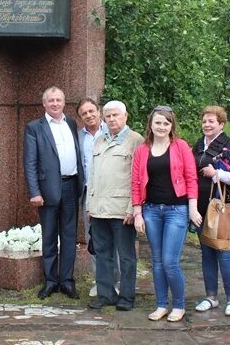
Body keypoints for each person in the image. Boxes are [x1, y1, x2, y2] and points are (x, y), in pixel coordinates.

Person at [132, 105, 200, 323]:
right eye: (158, 122)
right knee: (157, 261)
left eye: (166, 123)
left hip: (176, 210)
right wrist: (137, 212)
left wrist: (192, 208)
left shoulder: (180, 146)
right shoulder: (142, 150)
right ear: (151, 124)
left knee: (170, 261)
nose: (161, 127)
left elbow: (191, 178)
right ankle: (161, 304)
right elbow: (135, 182)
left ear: (172, 126)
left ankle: (178, 305)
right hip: (151, 210)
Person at [23, 86, 84, 300]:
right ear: (44, 103)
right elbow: (30, 163)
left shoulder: (71, 124)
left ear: (64, 102)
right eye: (51, 100)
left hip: (71, 186)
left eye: (59, 99)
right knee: (49, 236)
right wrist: (34, 192)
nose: (55, 103)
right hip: (47, 190)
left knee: (69, 236)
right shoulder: (34, 128)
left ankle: (66, 281)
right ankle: (50, 281)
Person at [86, 101, 143, 311]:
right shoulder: (99, 140)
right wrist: (90, 205)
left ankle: (127, 297)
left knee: (126, 256)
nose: (112, 119)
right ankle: (105, 294)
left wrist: (132, 208)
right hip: (99, 208)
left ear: (125, 116)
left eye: (116, 115)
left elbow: (138, 178)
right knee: (102, 254)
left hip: (122, 210)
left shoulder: (135, 140)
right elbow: (92, 175)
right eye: (108, 116)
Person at [192, 106, 230, 316]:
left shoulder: (228, 147)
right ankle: (211, 297)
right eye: (204, 121)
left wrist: (216, 173)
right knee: (206, 253)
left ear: (221, 124)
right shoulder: (199, 145)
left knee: (224, 253)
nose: (206, 125)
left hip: (222, 209)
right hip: (201, 208)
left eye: (211, 121)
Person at [76, 98, 113, 298]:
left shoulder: (113, 131)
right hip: (89, 193)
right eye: (84, 113)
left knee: (114, 237)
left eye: (91, 111)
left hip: (111, 192)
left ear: (99, 111)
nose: (89, 115)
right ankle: (100, 280)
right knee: (93, 238)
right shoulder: (79, 137)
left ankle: (114, 281)